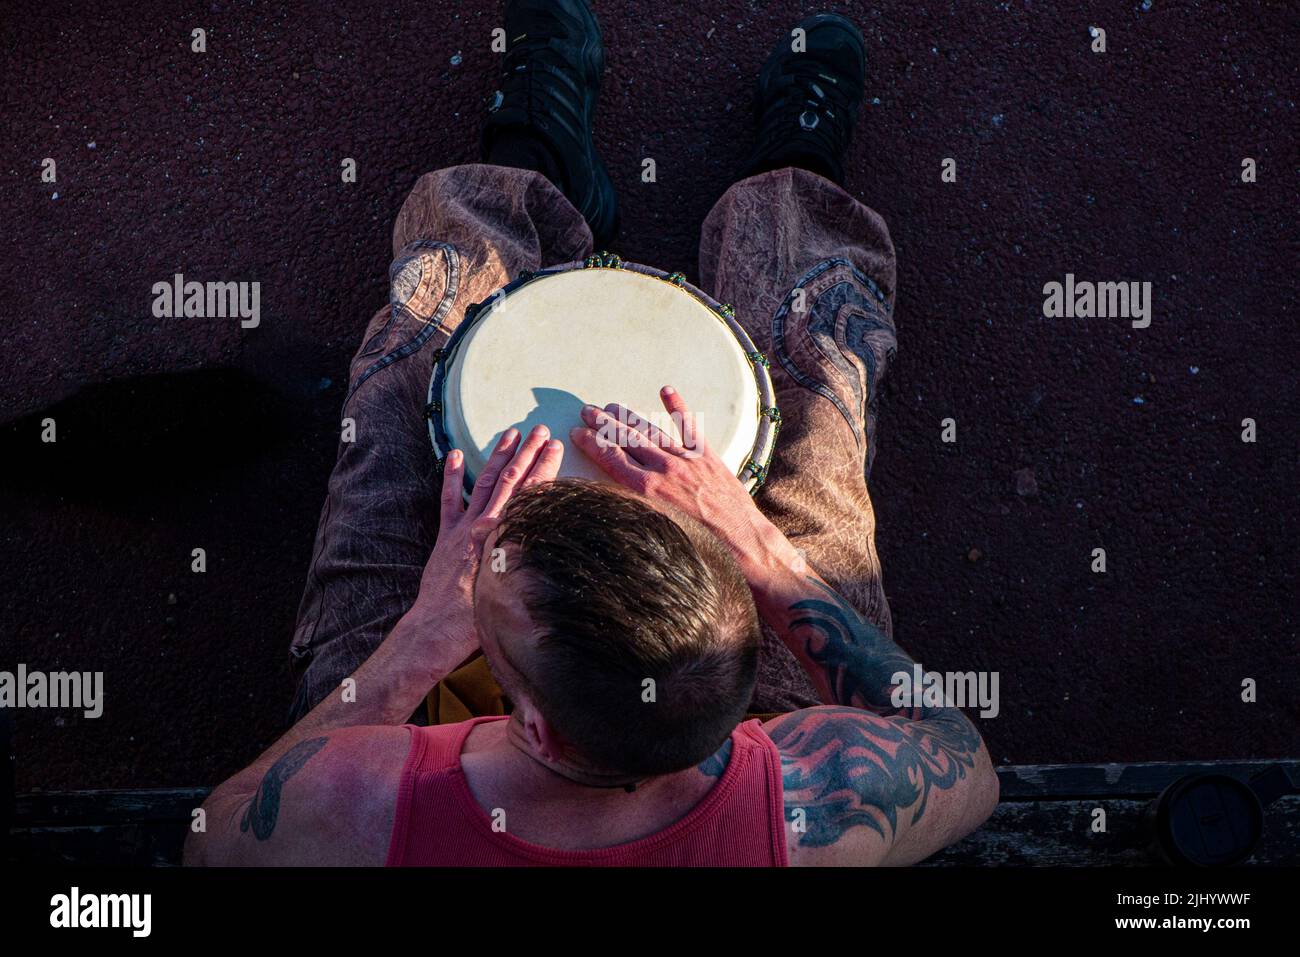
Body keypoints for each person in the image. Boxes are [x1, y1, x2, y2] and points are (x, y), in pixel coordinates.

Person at [185, 2, 998, 866]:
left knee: (403, 390)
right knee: (820, 399)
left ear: (525, 718)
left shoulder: (361, 803)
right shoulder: (813, 805)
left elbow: (214, 833)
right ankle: (793, 193)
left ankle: (525, 162)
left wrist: (428, 630)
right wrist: (753, 541)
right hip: (713, 715)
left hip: (433, 715)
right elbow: (964, 761)